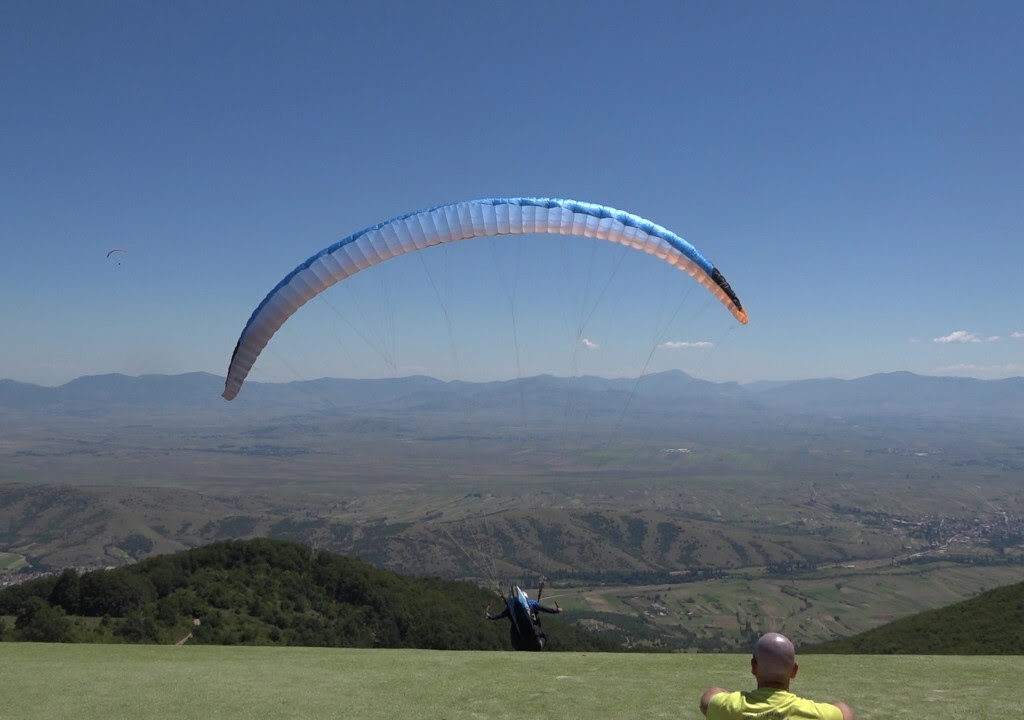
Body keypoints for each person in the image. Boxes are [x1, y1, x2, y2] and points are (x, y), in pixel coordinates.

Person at [700, 632, 854, 720]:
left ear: (754, 666)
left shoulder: (729, 707)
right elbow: (846, 714)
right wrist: (836, 705)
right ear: (794, 671)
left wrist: (729, 696)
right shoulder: (816, 713)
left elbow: (707, 699)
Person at [486, 582, 562, 651]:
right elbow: (544, 609)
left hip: (519, 643)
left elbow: (500, 615)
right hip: (535, 641)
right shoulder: (532, 603)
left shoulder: (511, 608)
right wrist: (556, 610)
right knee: (544, 638)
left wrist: (490, 617)